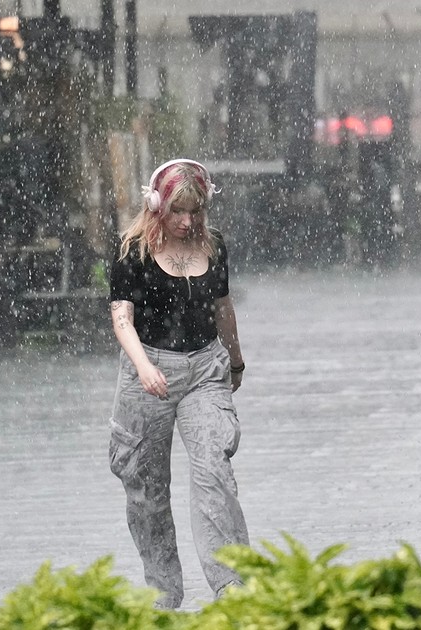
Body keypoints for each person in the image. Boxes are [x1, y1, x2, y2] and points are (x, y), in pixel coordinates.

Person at [107, 159, 249, 608]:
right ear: (157, 208)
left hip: (206, 367)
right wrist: (144, 366)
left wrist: (236, 361)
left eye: (196, 211)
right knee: (146, 486)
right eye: (178, 212)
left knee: (214, 471)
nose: (188, 222)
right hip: (149, 370)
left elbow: (223, 308)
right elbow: (121, 318)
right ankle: (164, 592)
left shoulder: (216, 247)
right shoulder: (134, 252)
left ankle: (233, 586)